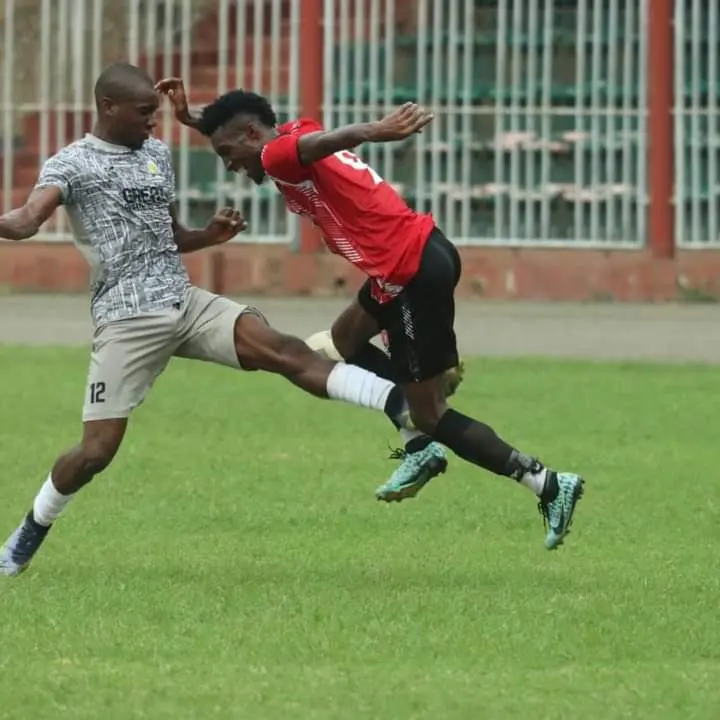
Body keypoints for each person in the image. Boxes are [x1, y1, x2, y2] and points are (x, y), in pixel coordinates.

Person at [0, 63, 420, 577]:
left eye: (156, 114)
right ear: (108, 108)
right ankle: (27, 534)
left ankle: (401, 406)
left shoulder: (155, 155)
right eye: (144, 114)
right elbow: (23, 222)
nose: (154, 125)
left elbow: (167, 234)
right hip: (127, 317)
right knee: (95, 452)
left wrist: (207, 237)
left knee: (285, 351)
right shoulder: (72, 164)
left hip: (185, 301)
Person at [155, 79, 585, 550]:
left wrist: (374, 130)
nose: (229, 165)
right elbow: (294, 141)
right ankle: (419, 444)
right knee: (340, 344)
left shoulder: (275, 154)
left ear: (253, 134)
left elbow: (317, 143)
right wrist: (195, 121)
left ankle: (545, 482)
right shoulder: (286, 136)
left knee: (431, 414)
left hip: (411, 274)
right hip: (413, 260)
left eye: (226, 153)